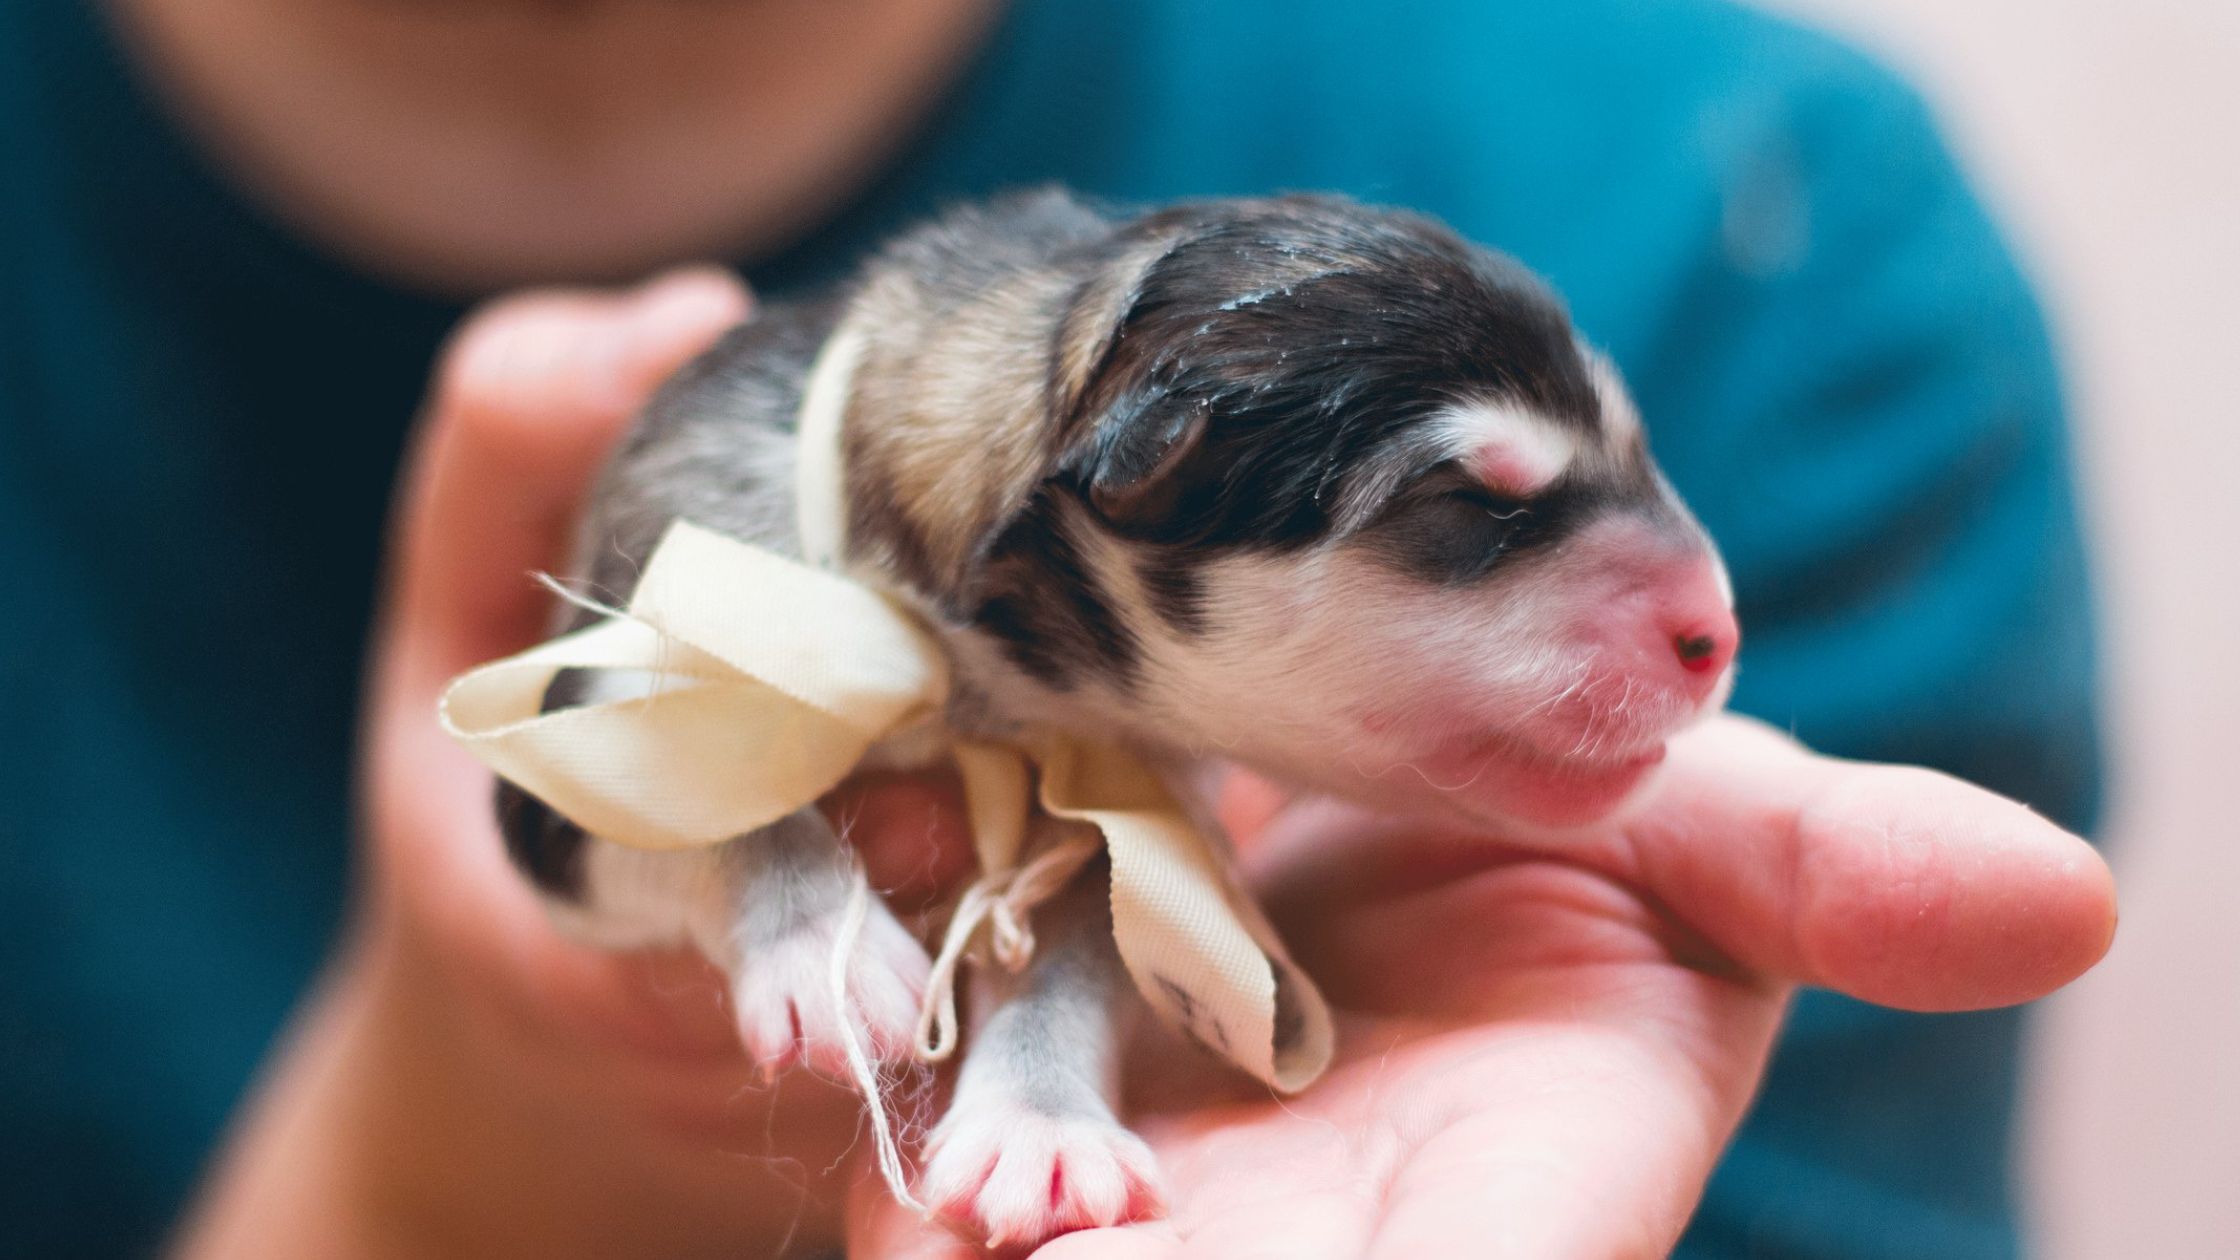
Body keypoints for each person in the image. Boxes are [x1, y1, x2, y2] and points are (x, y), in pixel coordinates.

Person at [0, 0, 2110, 1256]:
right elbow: (668, 763)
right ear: (1134, 506)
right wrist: (448, 1180)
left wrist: (1054, 1069)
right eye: (1466, 523)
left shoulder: (1767, 233)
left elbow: (1102, 836)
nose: (1691, 614)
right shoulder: (750, 491)